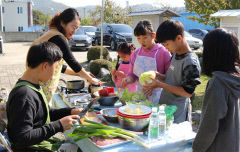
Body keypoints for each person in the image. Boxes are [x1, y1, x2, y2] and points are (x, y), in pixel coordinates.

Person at [7, 42, 83, 152]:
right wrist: (59, 125)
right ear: (45, 66)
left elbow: (44, 114)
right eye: (56, 68)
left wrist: (71, 111)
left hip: (41, 143)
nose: (55, 73)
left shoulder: (34, 85)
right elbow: (21, 137)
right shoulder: (24, 95)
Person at [31, 8, 101, 103]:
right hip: (40, 85)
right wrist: (90, 79)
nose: (74, 31)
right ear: (63, 23)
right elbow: (72, 61)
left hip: (35, 84)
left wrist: (81, 74)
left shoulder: (52, 34)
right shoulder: (58, 38)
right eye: (73, 26)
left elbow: (60, 67)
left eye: (77, 28)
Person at [144, 19, 201, 123]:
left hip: (178, 114)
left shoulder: (190, 62)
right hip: (165, 109)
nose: (166, 48)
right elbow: (173, 78)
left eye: (166, 44)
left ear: (179, 38)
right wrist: (159, 76)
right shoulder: (175, 54)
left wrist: (160, 85)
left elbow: (187, 92)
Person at [192, 28, 240, 152]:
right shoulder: (234, 77)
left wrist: (196, 148)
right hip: (232, 143)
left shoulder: (218, 83)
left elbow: (210, 126)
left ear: (212, 53)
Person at [122, 20, 171, 103]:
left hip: (159, 97)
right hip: (140, 97)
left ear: (153, 36)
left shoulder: (163, 53)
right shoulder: (136, 54)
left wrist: (156, 84)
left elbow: (170, 78)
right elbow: (132, 75)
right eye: (138, 38)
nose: (142, 41)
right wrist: (128, 79)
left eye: (145, 37)